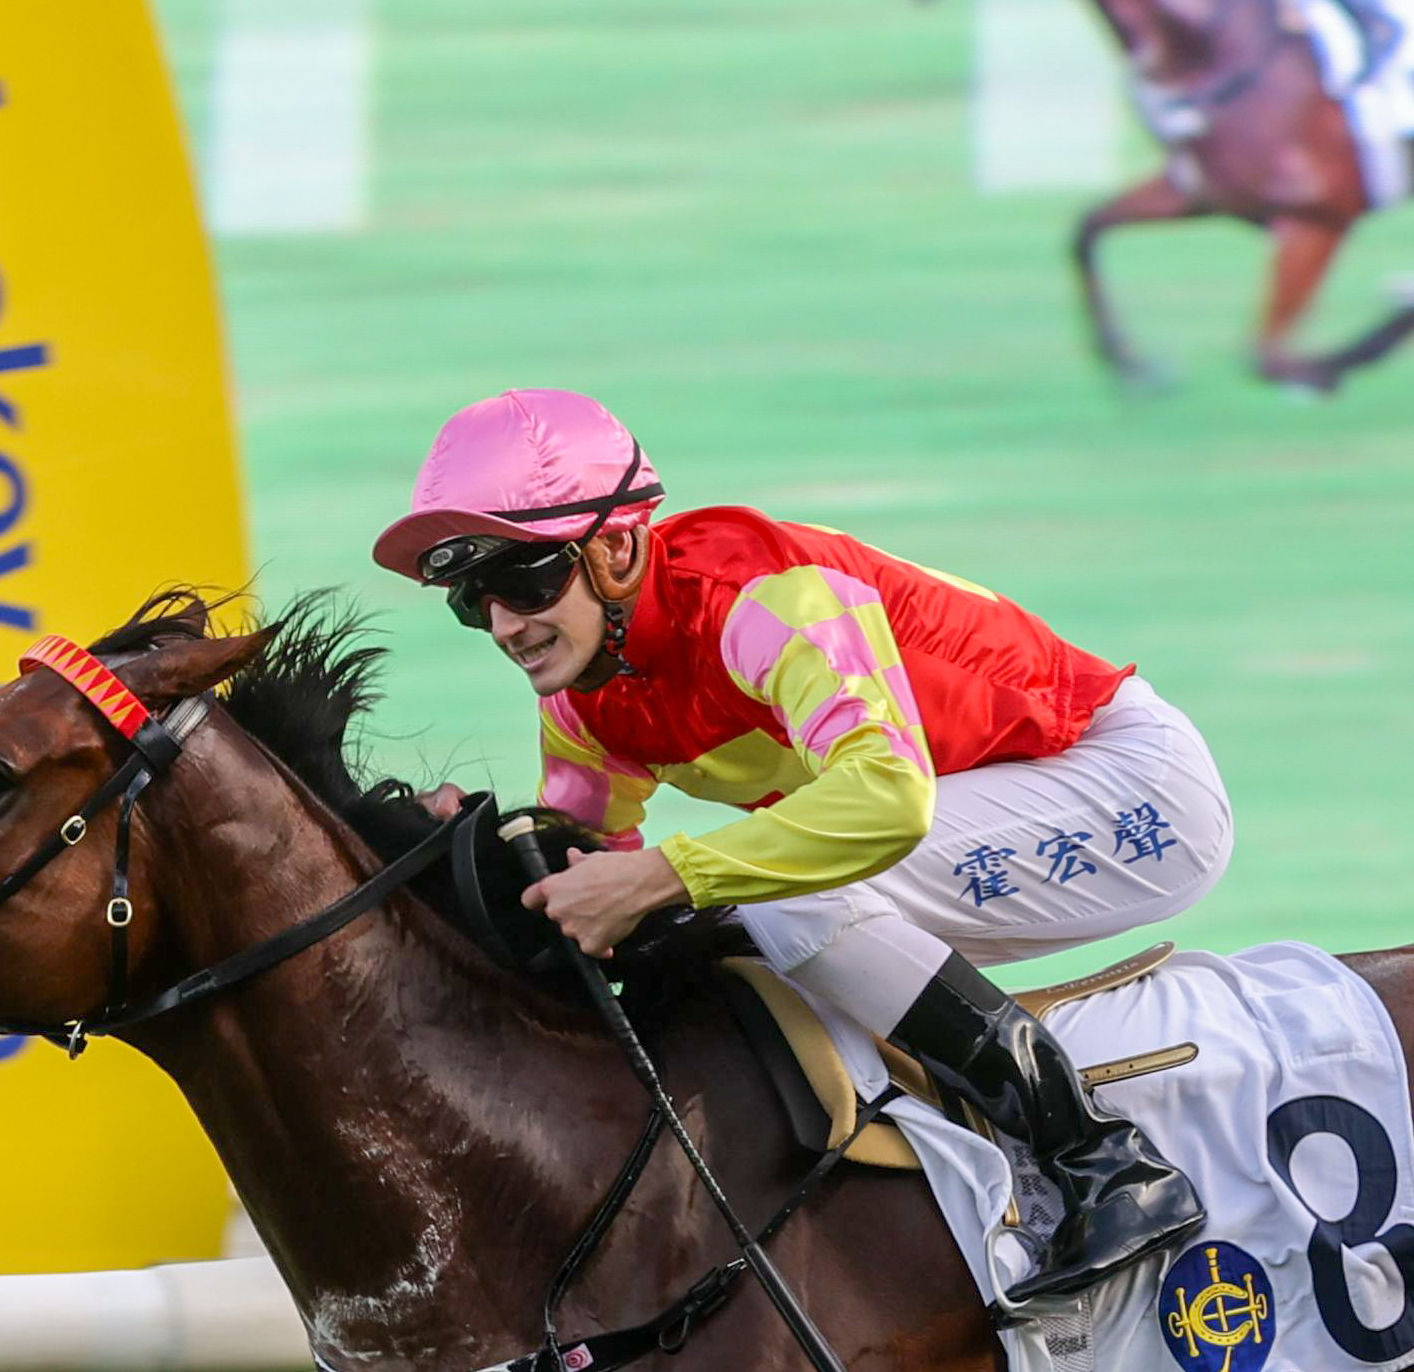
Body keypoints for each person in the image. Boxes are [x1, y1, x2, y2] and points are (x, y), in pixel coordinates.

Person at [369, 388, 1218, 1305]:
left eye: (528, 582)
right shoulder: (584, 702)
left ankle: (1104, 1159)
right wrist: (455, 861)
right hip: (986, 807)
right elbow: (581, 879)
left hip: (1125, 789)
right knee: (731, 927)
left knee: (772, 898)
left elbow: (887, 802)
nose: (505, 626)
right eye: (473, 600)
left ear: (615, 548)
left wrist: (664, 871)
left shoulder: (759, 599)